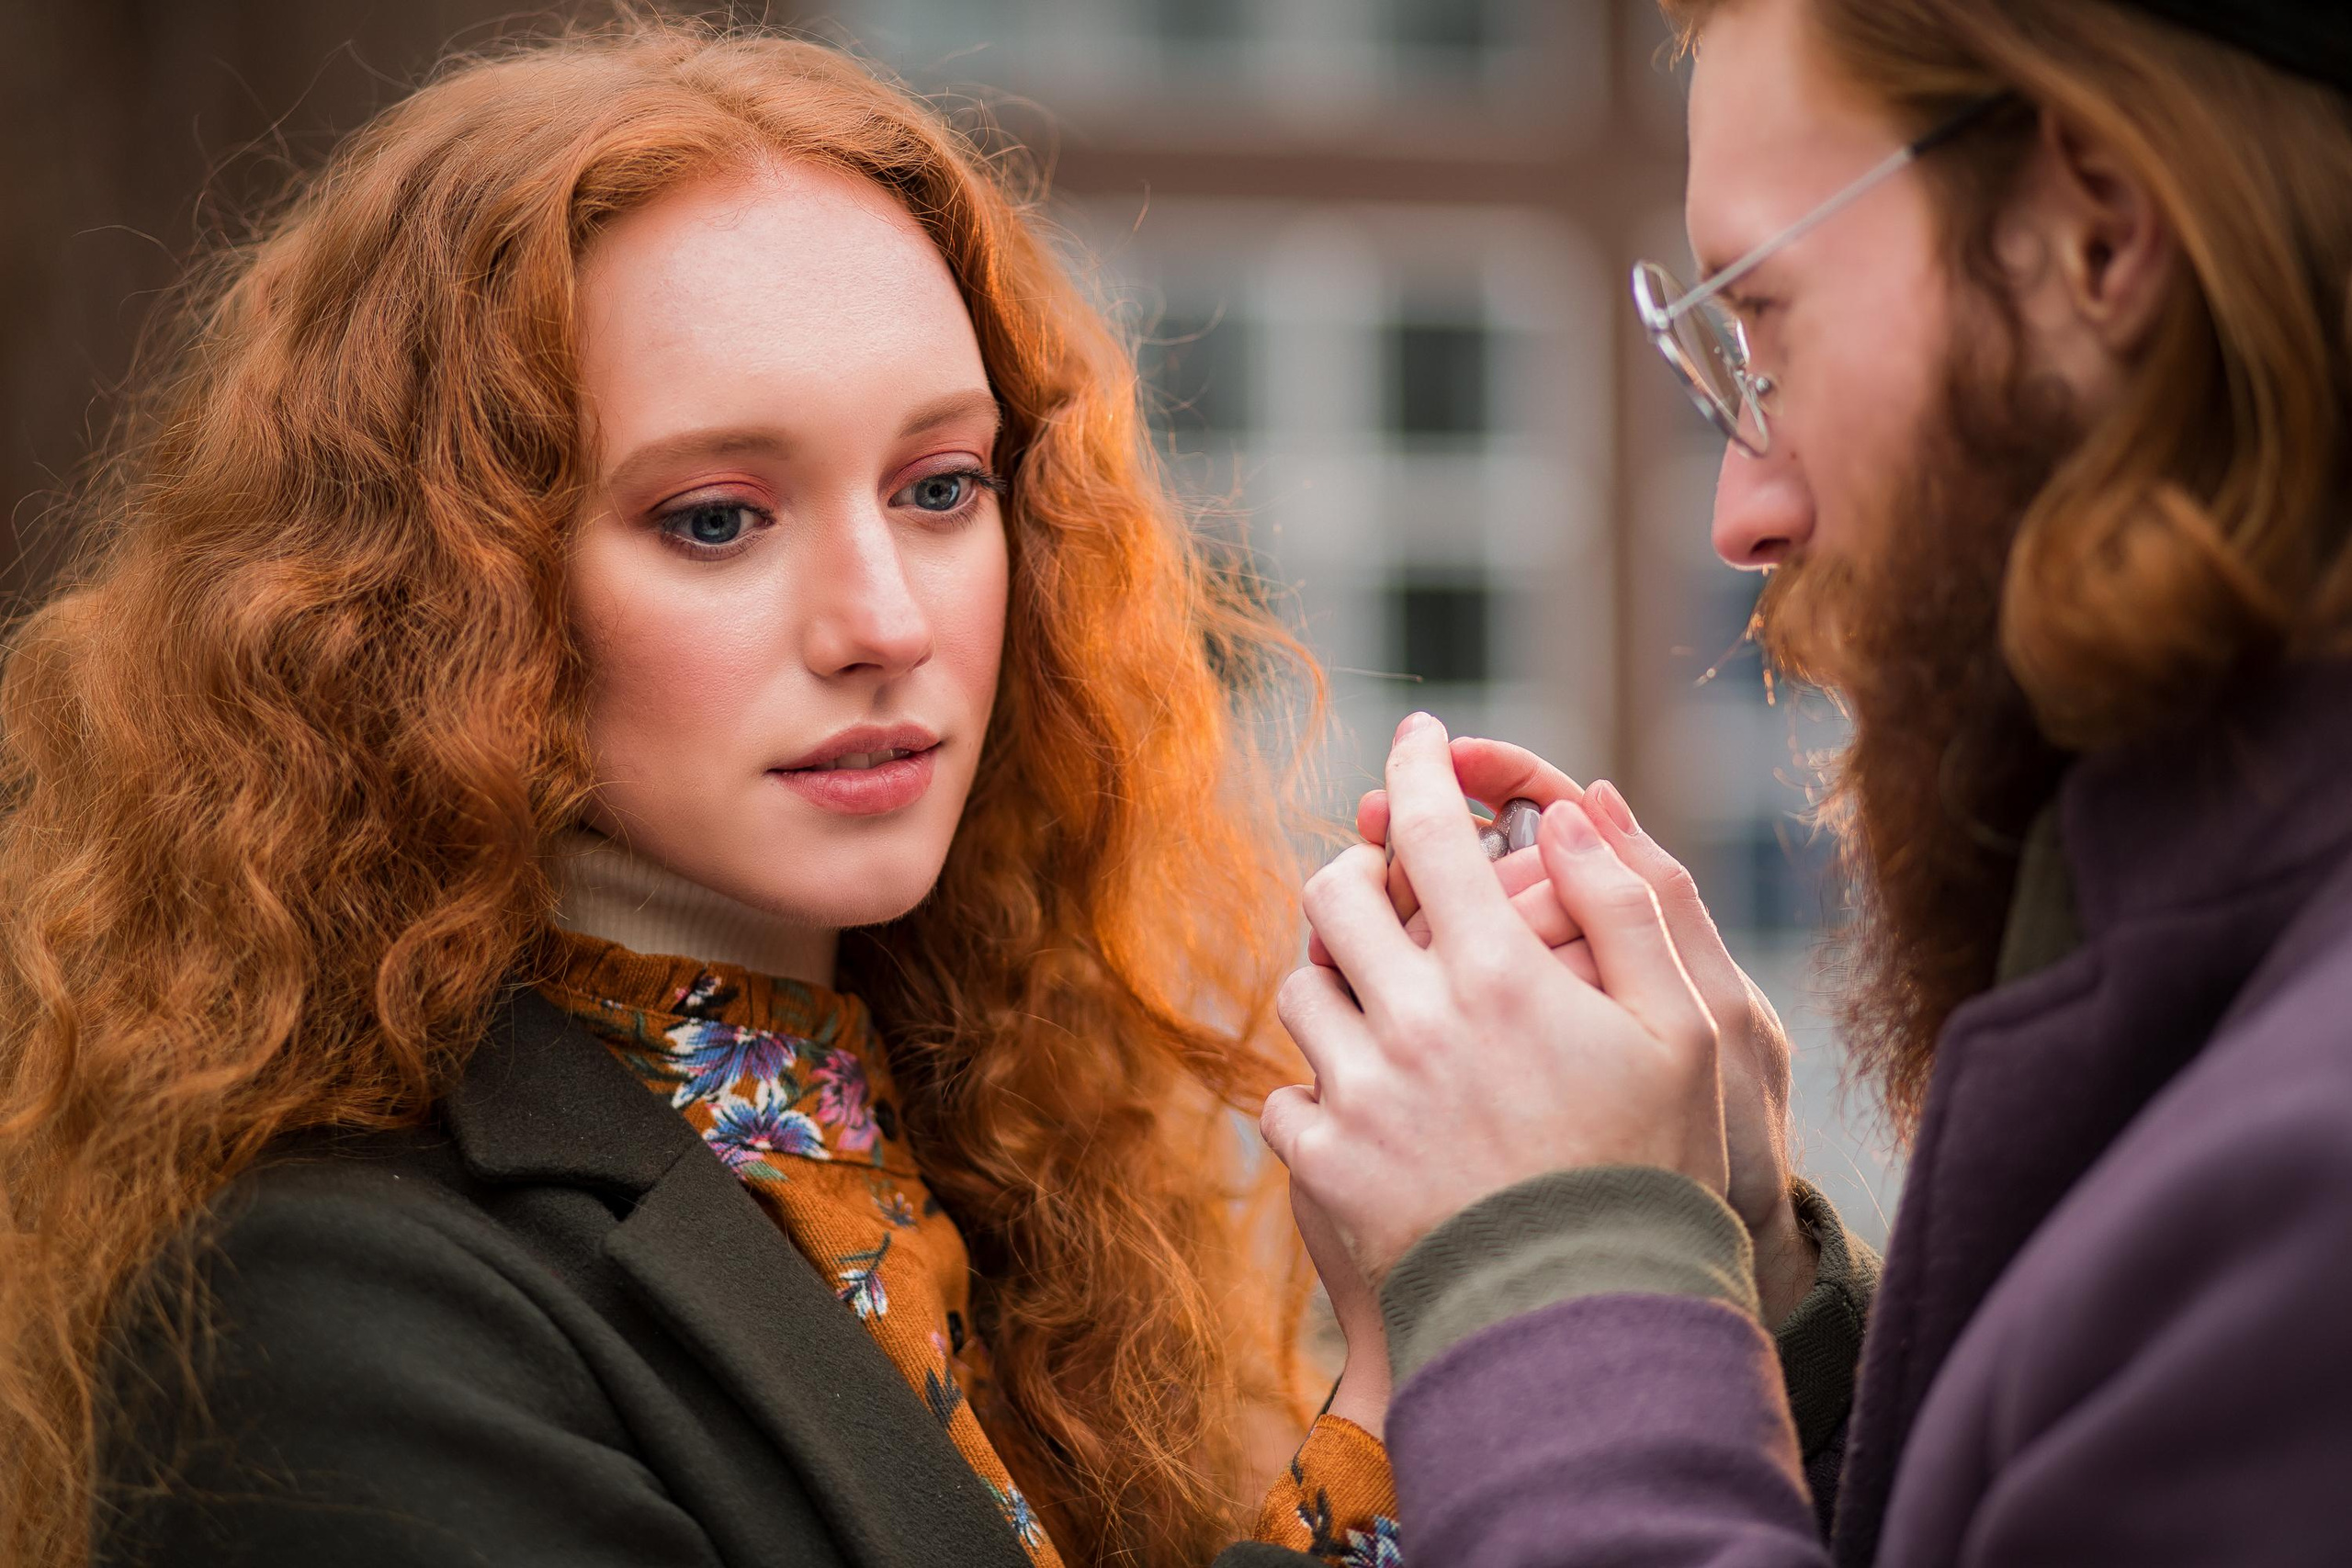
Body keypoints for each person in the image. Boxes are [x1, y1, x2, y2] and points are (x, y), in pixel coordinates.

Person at [0, 21, 1399, 1568]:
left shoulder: (1016, 1166)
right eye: (719, 518)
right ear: (450, 598)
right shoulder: (323, 1311)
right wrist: (1435, 1374)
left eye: (941, 487)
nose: (883, 622)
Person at [1265, 0, 2352, 1562]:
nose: (1742, 512)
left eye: (1762, 324)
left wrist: (1559, 1262)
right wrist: (1742, 1286)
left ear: (2097, 240)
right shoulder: (2232, 997)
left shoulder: (2306, 1179)